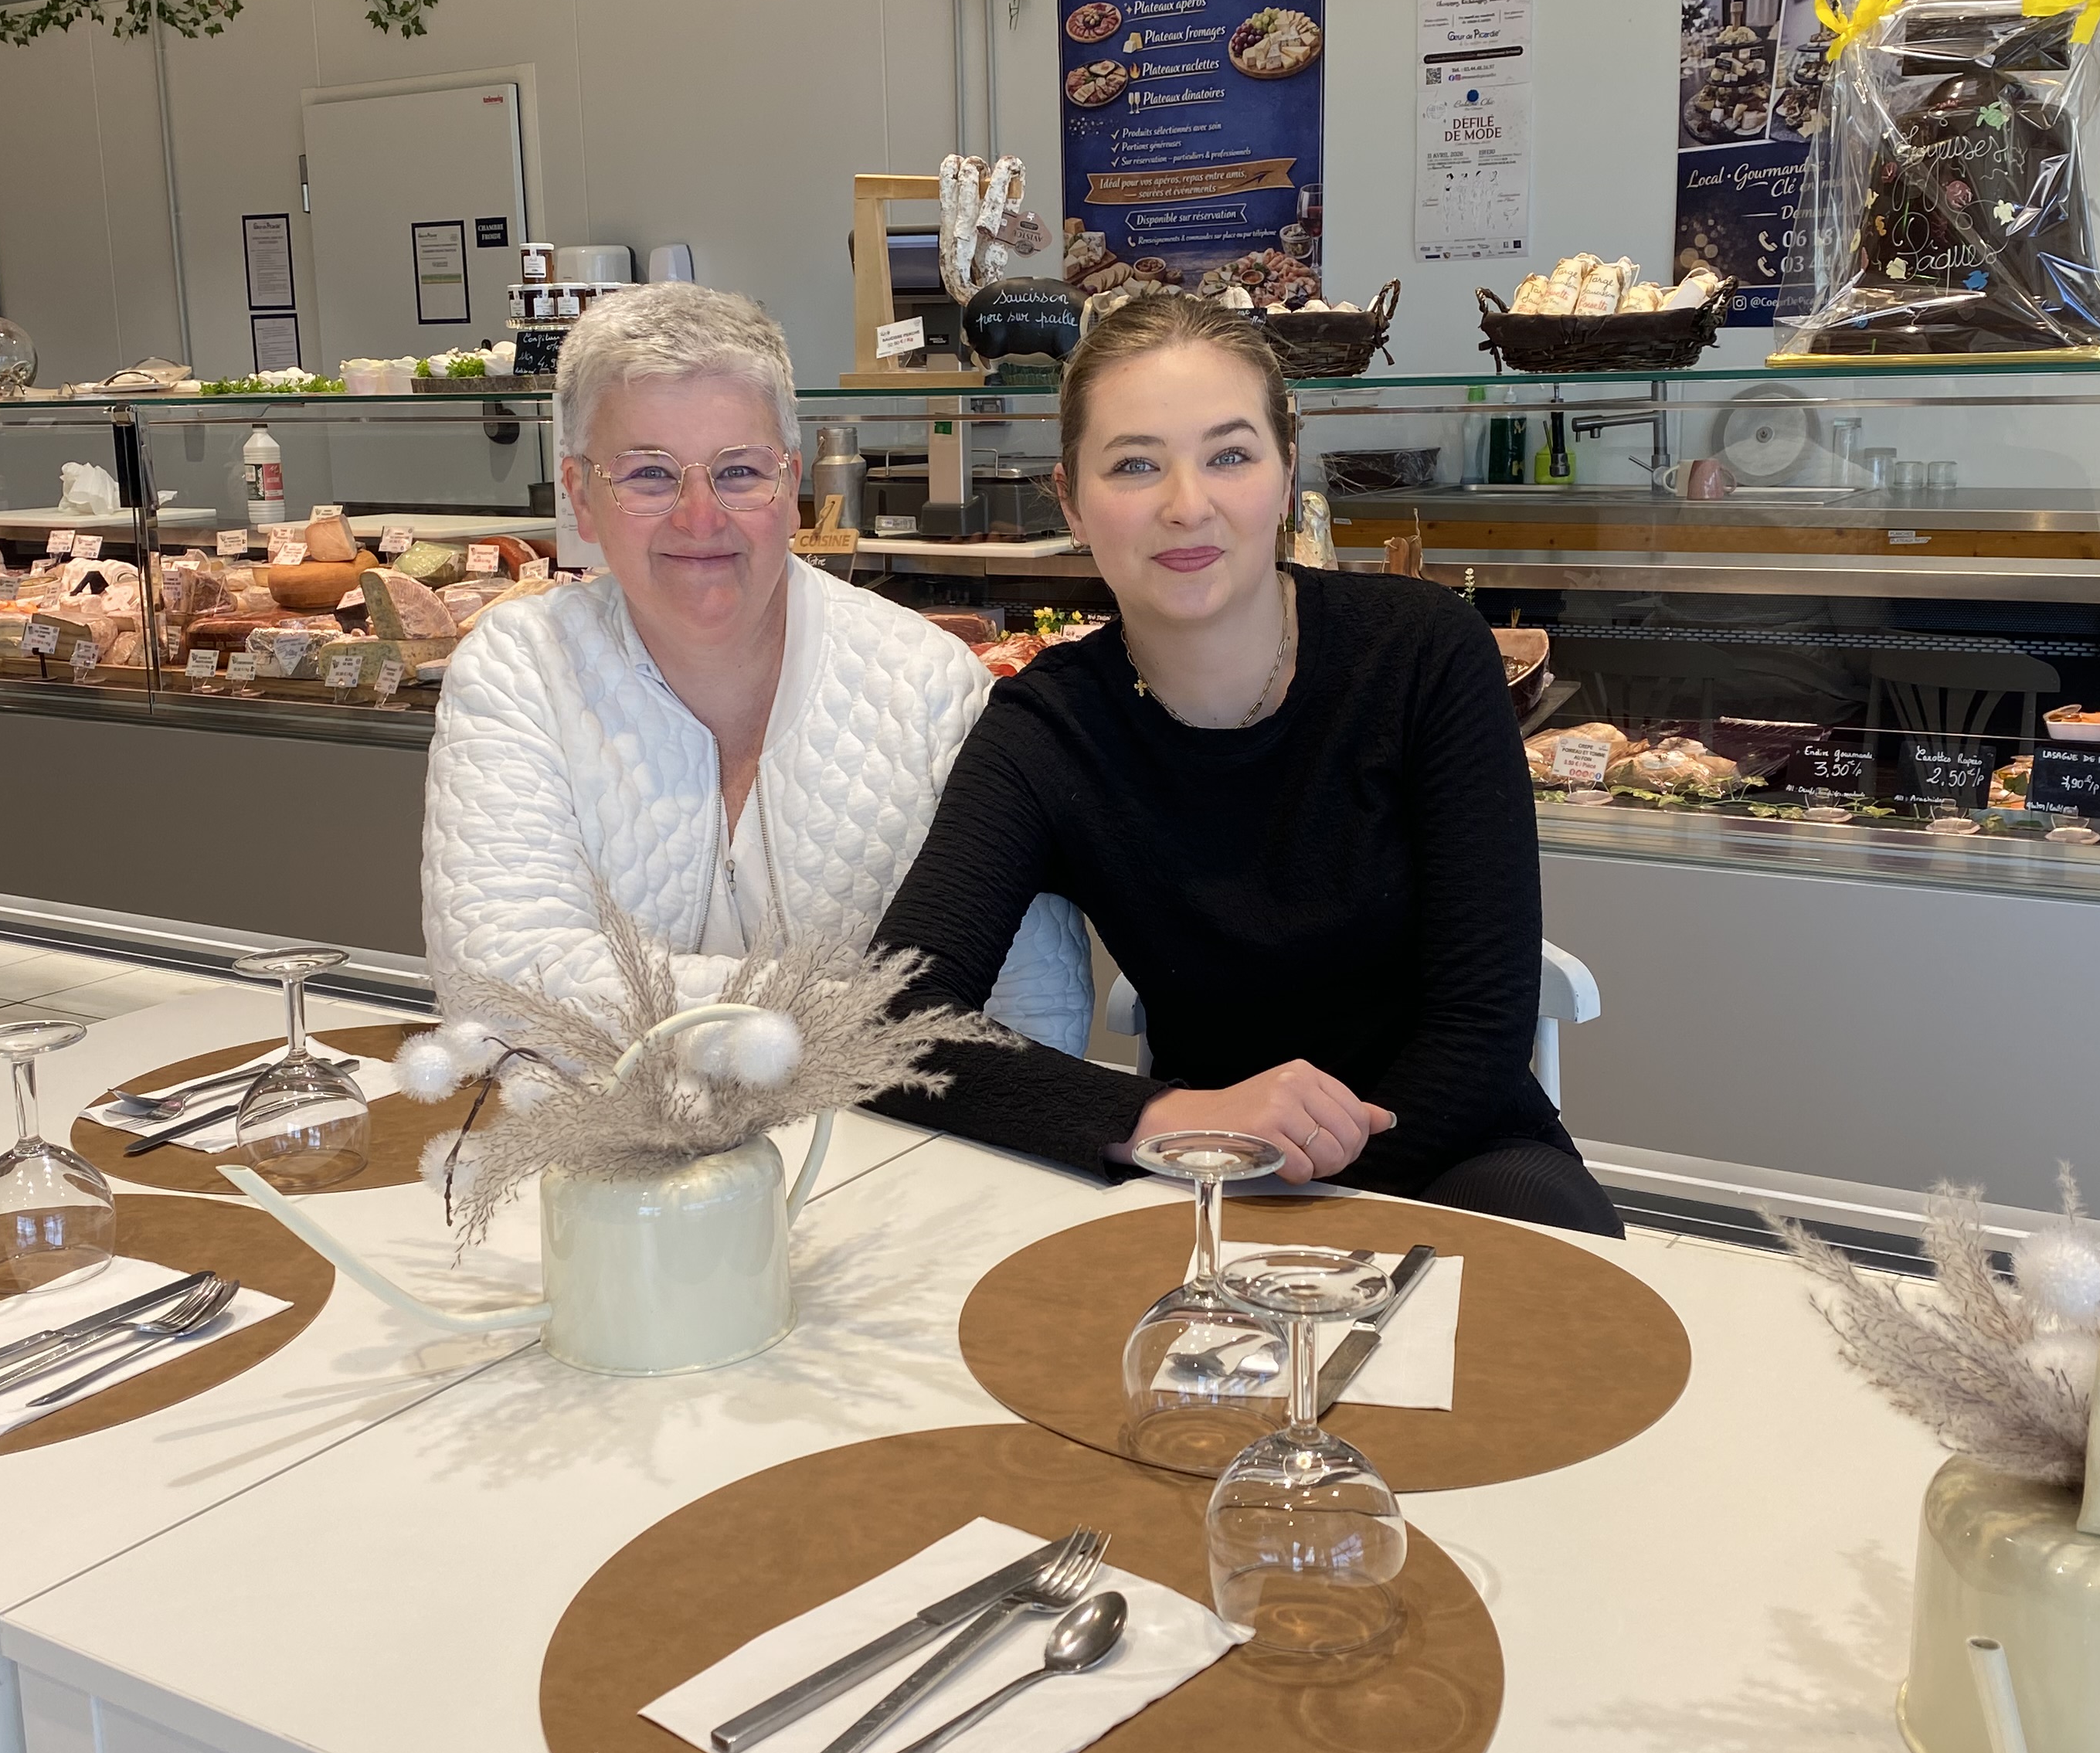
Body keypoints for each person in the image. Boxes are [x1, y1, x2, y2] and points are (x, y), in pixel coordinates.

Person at [873, 293, 1619, 1235]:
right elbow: (893, 1019)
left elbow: (1479, 1028)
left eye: (1230, 455)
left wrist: (1315, 1195)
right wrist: (1163, 1121)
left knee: (1565, 1312)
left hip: (1459, 1143)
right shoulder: (1048, 724)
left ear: (1286, 472)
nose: (1189, 505)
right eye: (1136, 465)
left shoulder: (1423, 653)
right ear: (1069, 500)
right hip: (1210, 1157)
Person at [421, 283, 1087, 1045]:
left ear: (793, 482)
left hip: (892, 1157)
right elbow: (502, 984)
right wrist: (855, 1019)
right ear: (579, 496)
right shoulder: (522, 671)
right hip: (594, 1155)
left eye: (738, 472)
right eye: (648, 473)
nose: (699, 518)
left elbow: (1034, 1015)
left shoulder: (932, 689)